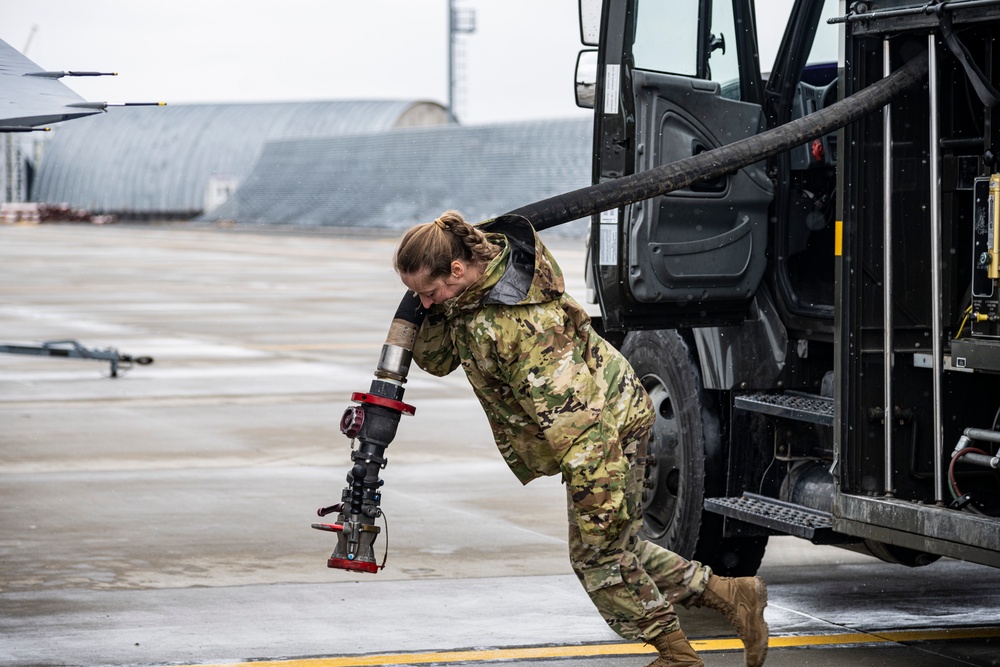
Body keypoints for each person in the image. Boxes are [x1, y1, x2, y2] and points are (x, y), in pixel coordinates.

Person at [394, 210, 769, 667]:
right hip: (594, 425)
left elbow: (580, 421)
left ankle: (676, 655)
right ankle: (733, 595)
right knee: (616, 546)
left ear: (456, 269)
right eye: (419, 297)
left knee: (597, 557)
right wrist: (420, 309)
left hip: (606, 430)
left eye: (429, 293)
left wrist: (599, 496)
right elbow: (438, 360)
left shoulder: (523, 325)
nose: (427, 303)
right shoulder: (469, 294)